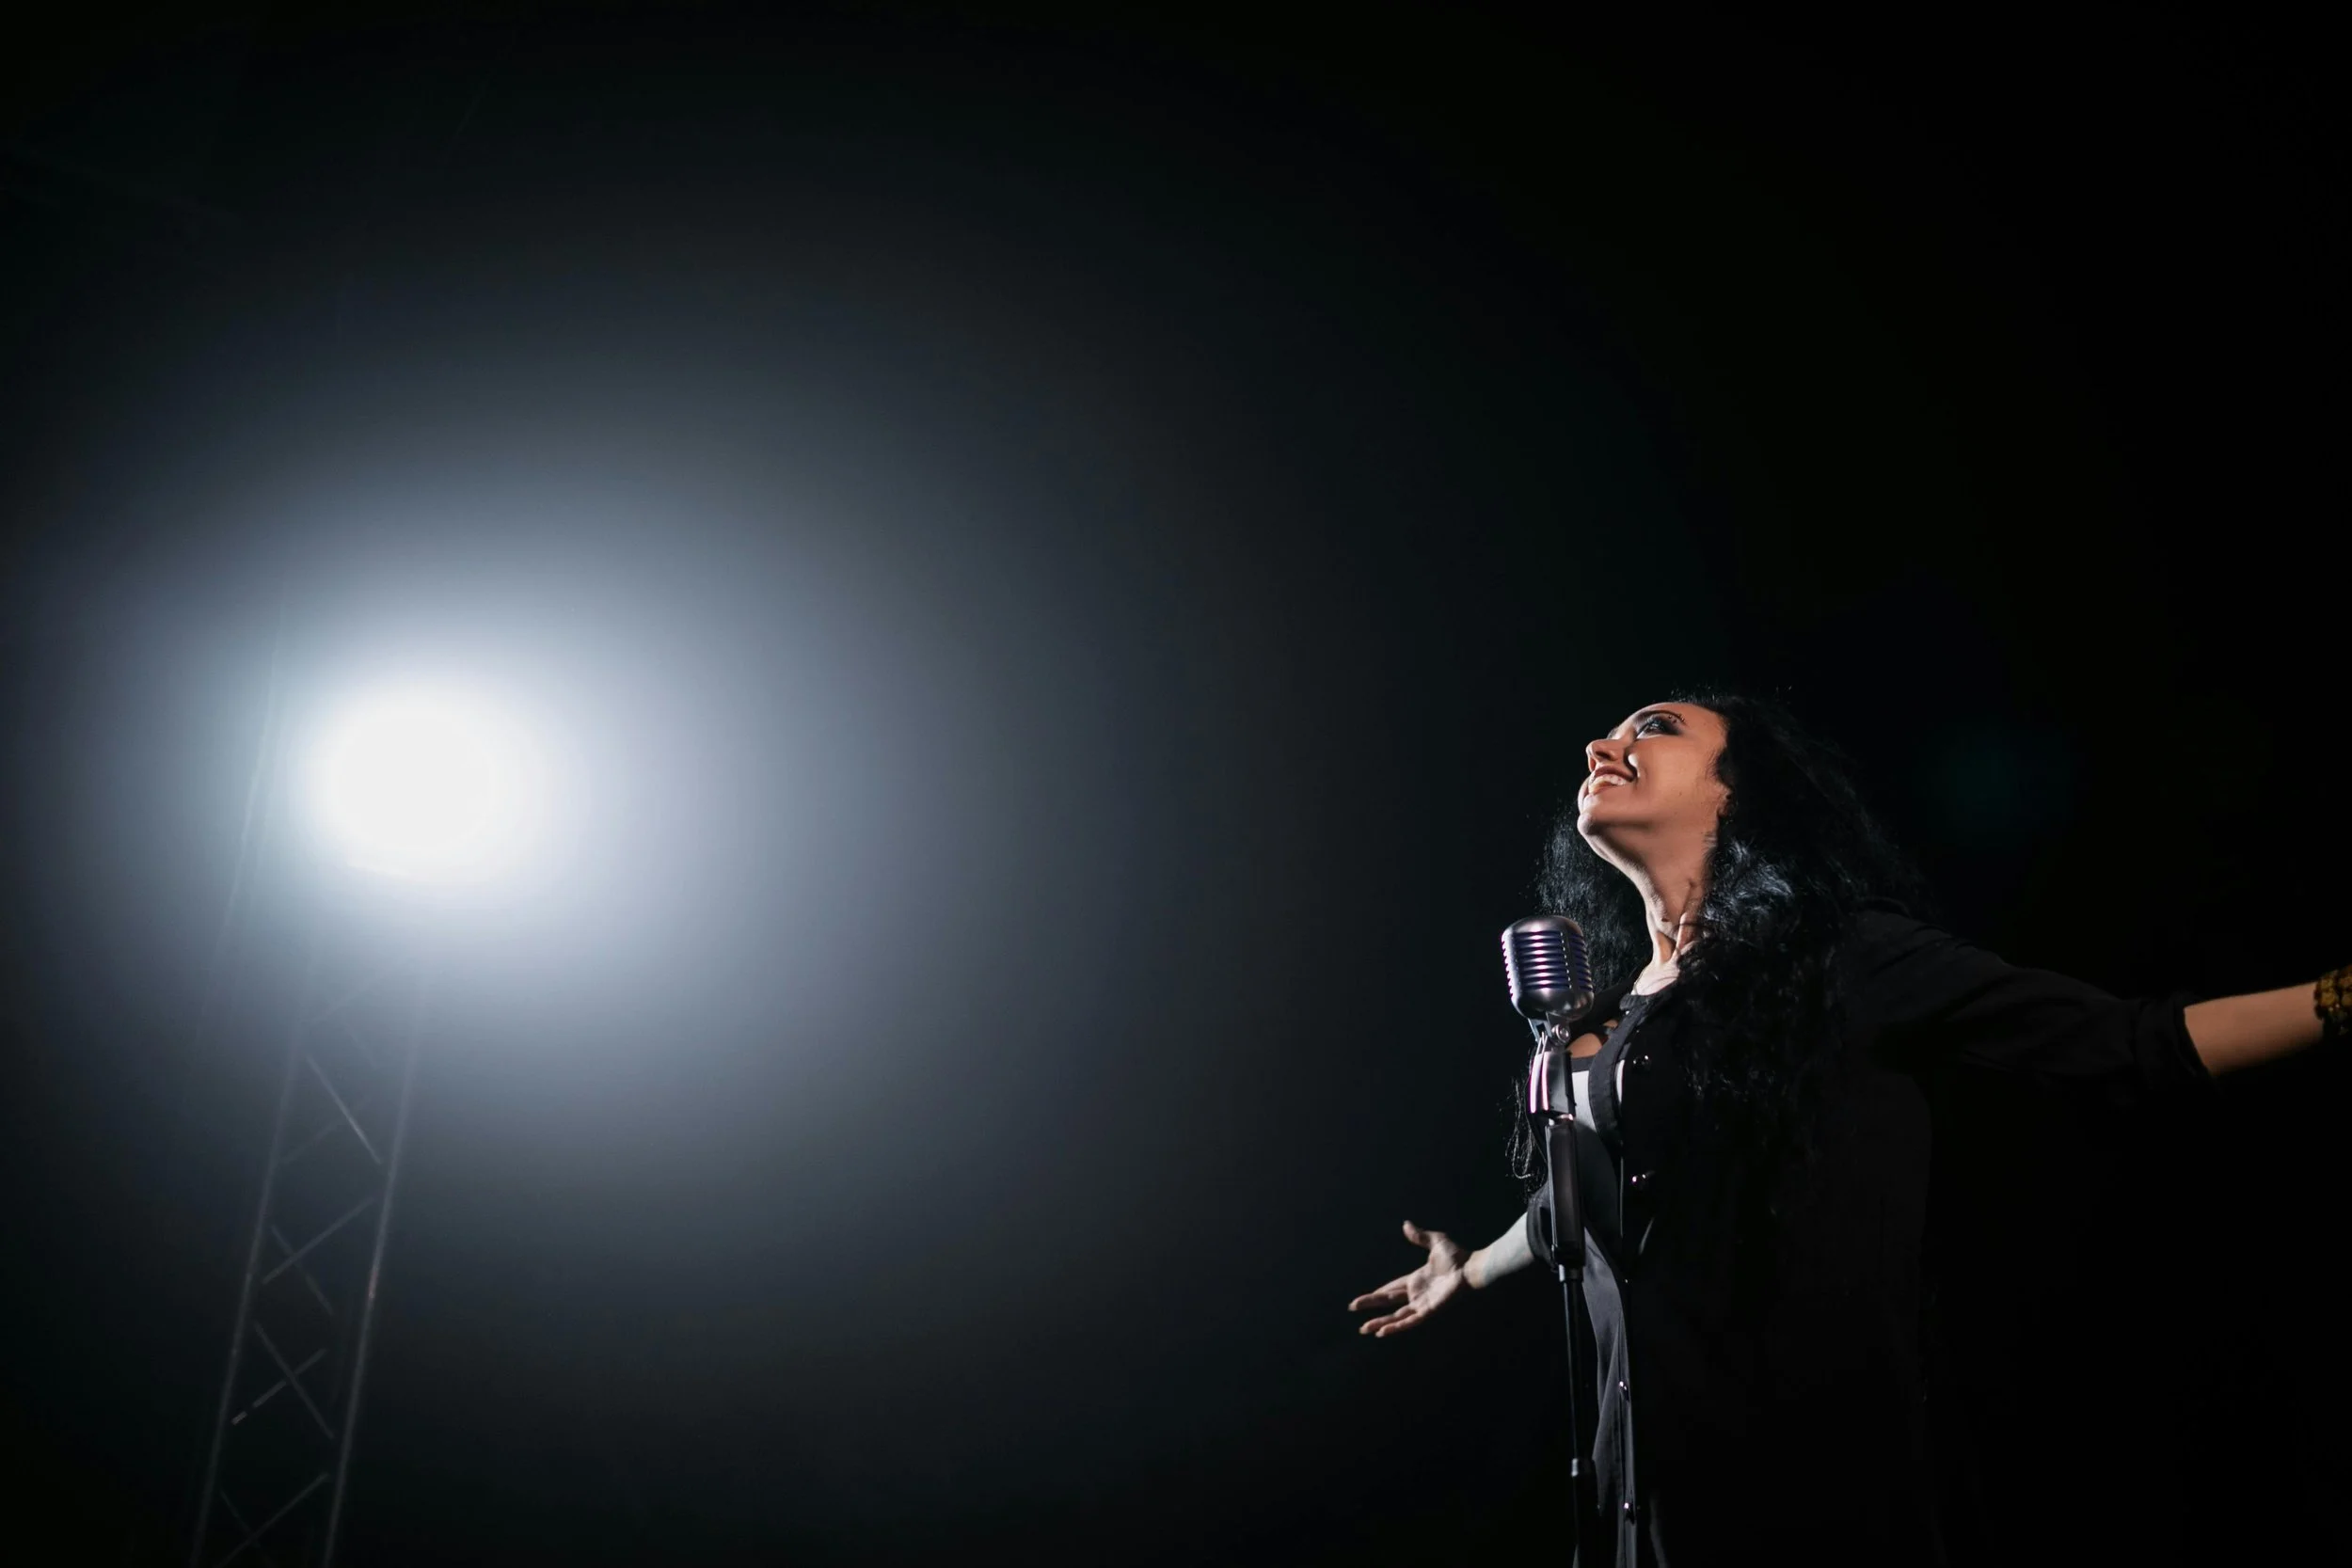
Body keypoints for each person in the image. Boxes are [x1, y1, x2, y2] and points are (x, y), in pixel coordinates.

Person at [1346, 693, 2345, 1566]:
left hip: (1803, 1504)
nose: (1603, 748)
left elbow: (2133, 1040)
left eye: (1654, 728)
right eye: (1608, 734)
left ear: (1737, 791)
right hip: (1639, 1509)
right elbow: (1578, 1198)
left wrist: (2338, 1000)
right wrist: (1467, 1268)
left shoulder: (1841, 963)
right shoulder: (1608, 1022)